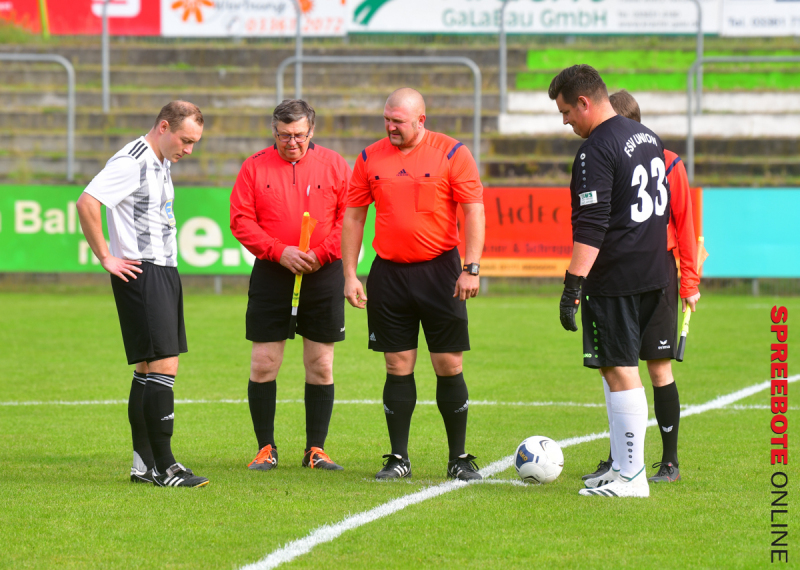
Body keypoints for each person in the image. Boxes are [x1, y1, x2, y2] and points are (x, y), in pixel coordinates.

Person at [342, 88, 486, 481]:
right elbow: (354, 217)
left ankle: (459, 458)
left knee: (448, 363)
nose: (390, 127)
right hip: (388, 273)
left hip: (441, 271)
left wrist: (471, 267)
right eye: (386, 119)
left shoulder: (453, 153)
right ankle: (398, 458)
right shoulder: (369, 157)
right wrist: (350, 274)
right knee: (396, 364)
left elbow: (473, 211)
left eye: (398, 121)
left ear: (421, 120)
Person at [549, 66, 671, 498]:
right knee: (613, 367)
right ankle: (621, 466)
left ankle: (632, 477)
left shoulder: (595, 149)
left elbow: (592, 223)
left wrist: (572, 285)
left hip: (618, 275)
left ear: (584, 101)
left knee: (620, 370)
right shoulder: (646, 136)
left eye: (566, 111)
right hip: (653, 270)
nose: (565, 121)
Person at [76, 101, 209, 488]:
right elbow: (87, 202)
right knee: (165, 365)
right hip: (143, 270)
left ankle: (143, 464)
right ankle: (166, 467)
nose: (189, 149)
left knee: (148, 368)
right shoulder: (132, 161)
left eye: (194, 143)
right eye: (185, 140)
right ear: (163, 127)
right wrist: (106, 256)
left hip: (162, 269)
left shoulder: (162, 159)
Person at [580, 90, 701, 486]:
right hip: (618, 275)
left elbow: (685, 226)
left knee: (656, 367)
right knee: (614, 368)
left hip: (655, 274)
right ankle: (621, 459)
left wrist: (689, 283)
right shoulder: (610, 158)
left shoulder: (668, 163)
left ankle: (668, 460)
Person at [230, 99, 351, 472]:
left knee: (320, 364)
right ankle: (265, 448)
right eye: (284, 136)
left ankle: (316, 450)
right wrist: (278, 251)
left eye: (299, 135)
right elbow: (240, 220)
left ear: (311, 131)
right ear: (274, 132)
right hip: (272, 272)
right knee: (264, 363)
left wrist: (322, 254)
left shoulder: (334, 165)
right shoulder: (253, 167)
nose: (292, 142)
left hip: (323, 272)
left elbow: (350, 218)